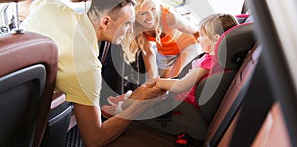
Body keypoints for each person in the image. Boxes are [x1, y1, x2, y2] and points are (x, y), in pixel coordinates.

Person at [21, 0, 165, 146]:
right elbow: (94, 139)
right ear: (105, 22)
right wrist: (141, 103)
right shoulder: (87, 67)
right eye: (127, 24)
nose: (131, 30)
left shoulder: (52, 5)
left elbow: (21, 5)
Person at [101, 13, 238, 117]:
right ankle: (127, 100)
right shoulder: (218, 60)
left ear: (215, 39)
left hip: (181, 104)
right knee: (152, 86)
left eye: (202, 35)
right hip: (182, 99)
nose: (199, 38)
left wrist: (160, 82)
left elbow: (181, 86)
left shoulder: (208, 63)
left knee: (151, 89)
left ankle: (121, 109)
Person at [103, 0, 201, 109]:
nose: (150, 18)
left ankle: (126, 106)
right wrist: (152, 80)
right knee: (153, 83)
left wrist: (207, 55)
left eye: (153, 9)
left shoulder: (169, 18)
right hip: (166, 52)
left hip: (188, 46)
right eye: (142, 13)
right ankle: (128, 100)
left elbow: (196, 31)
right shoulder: (135, 26)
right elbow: (148, 52)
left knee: (167, 83)